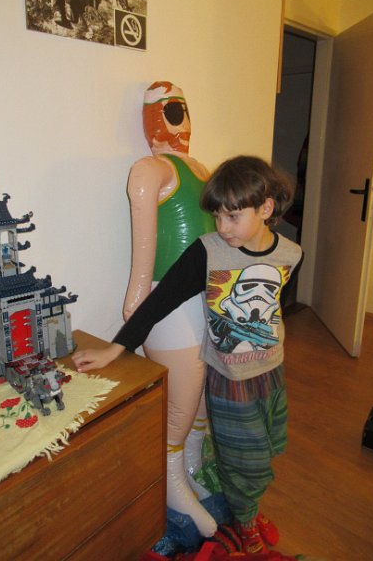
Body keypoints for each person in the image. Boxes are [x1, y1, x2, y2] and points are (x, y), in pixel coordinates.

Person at [73, 156, 303, 554]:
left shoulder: (292, 254)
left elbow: (274, 308)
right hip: (229, 379)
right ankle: (246, 519)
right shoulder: (208, 253)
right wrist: (115, 348)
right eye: (217, 216)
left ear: (265, 208)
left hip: (271, 373)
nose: (222, 228)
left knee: (265, 450)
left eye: (232, 216)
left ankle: (246, 506)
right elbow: (158, 302)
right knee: (244, 459)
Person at [123, 81, 217, 537]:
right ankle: (173, 484)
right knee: (182, 395)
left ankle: (192, 468)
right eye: (172, 110)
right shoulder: (150, 169)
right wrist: (137, 298)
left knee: (201, 392)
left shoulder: (201, 169)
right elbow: (144, 241)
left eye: (182, 109)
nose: (181, 122)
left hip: (205, 294)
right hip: (169, 299)